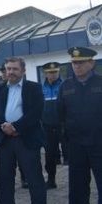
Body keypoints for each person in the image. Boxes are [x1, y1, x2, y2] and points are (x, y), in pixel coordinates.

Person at [0, 56, 47, 204]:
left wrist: (16, 127)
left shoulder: (34, 88)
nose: (11, 72)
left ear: (23, 71)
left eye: (14, 69)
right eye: (8, 69)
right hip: (5, 140)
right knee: (5, 179)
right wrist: (4, 126)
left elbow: (36, 112)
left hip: (26, 139)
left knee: (34, 180)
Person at [57, 46, 102, 204]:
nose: (77, 66)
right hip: (76, 145)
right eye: (74, 63)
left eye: (81, 62)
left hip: (100, 144)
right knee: (77, 187)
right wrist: (65, 142)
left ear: (92, 63)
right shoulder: (66, 86)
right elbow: (61, 115)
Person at [41, 62, 63, 190]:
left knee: (72, 155)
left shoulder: (64, 86)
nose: (53, 74)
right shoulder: (40, 88)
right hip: (47, 126)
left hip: (63, 125)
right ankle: (51, 180)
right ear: (45, 73)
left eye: (55, 72)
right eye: (50, 72)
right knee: (49, 155)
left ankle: (79, 181)